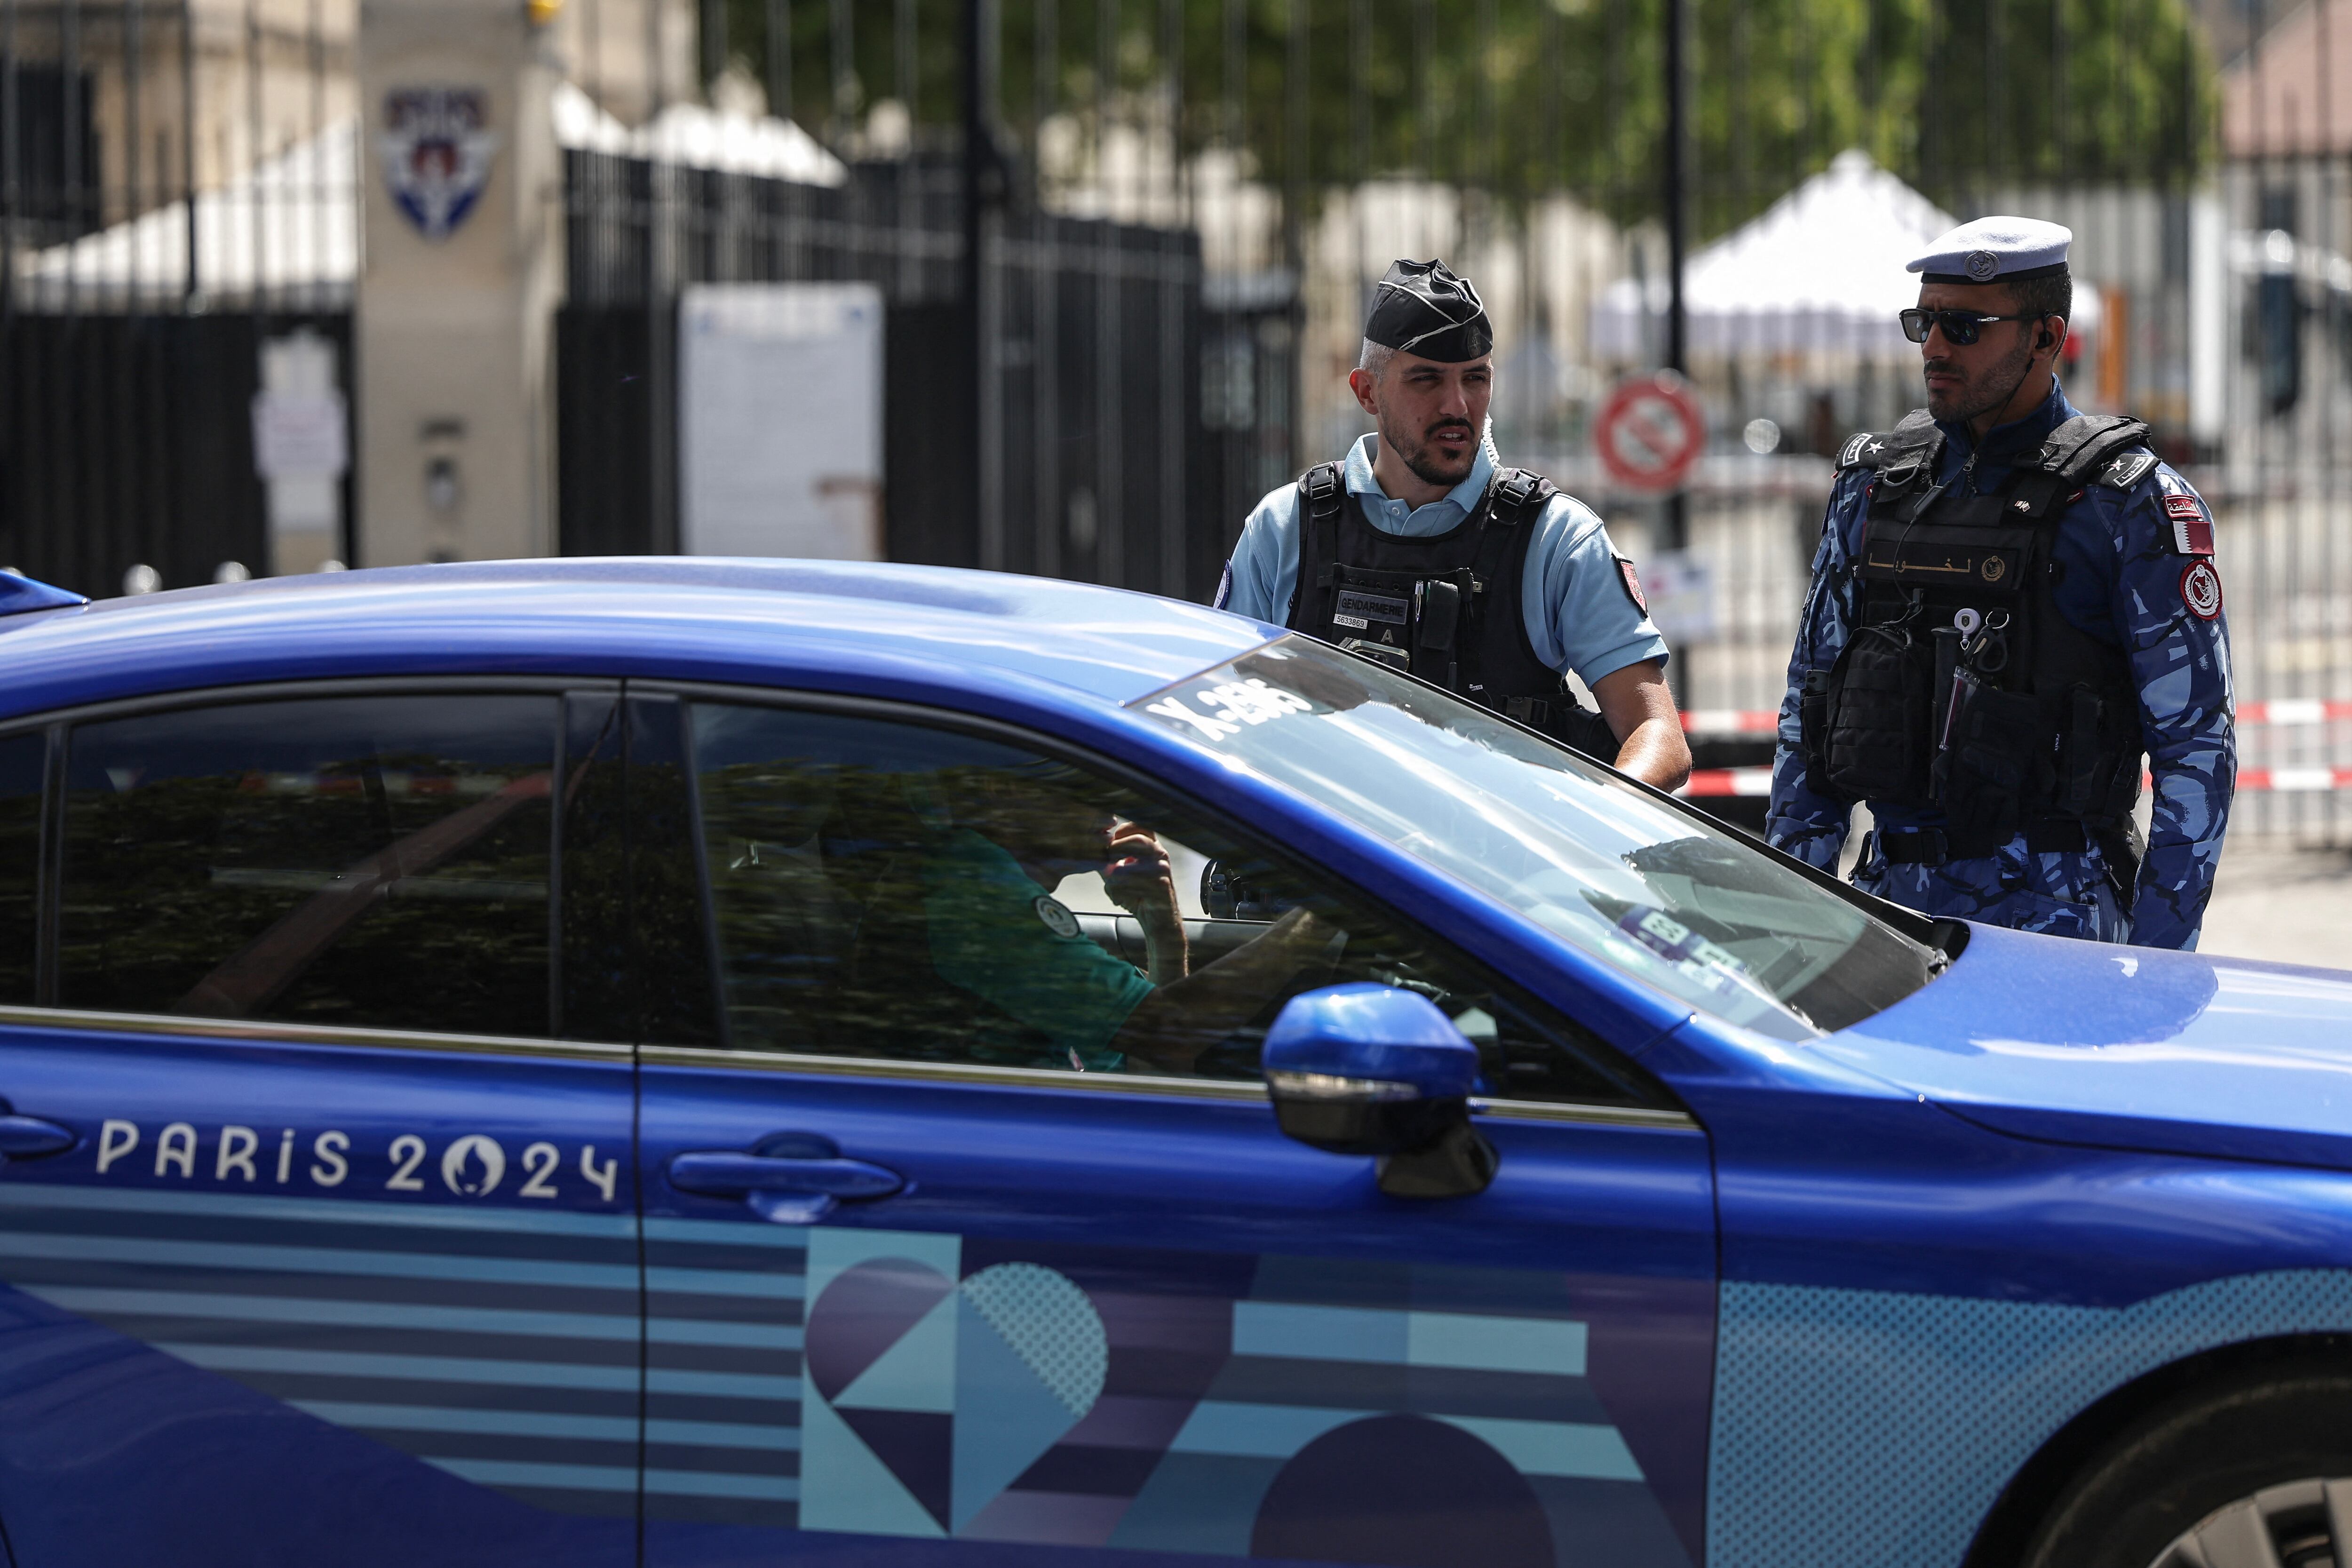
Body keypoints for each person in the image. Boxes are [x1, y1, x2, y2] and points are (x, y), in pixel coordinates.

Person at [1767, 216, 2234, 948]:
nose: (1935, 346)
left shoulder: (2127, 505)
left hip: (2061, 926)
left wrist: (2159, 962)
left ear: (2047, 337)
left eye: (1963, 326)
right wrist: (1797, 924)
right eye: (1923, 322)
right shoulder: (1871, 487)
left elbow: (2197, 747)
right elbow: (1810, 714)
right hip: (1892, 916)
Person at [1216, 258, 1692, 790]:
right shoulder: (1284, 528)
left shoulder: (1557, 539)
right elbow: (1220, 711)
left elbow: (1657, 736)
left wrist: (1590, 822)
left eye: (1475, 378)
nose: (1457, 405)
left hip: (1497, 843)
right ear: (1367, 392)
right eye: (1426, 379)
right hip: (1321, 840)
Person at [921, 765, 1340, 1074]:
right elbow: (1165, 1034)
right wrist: (1326, 907)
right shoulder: (979, 894)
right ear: (1005, 787)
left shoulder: (986, 881)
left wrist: (1164, 933)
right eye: (1087, 781)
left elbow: (1155, 1065)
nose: (1113, 808)